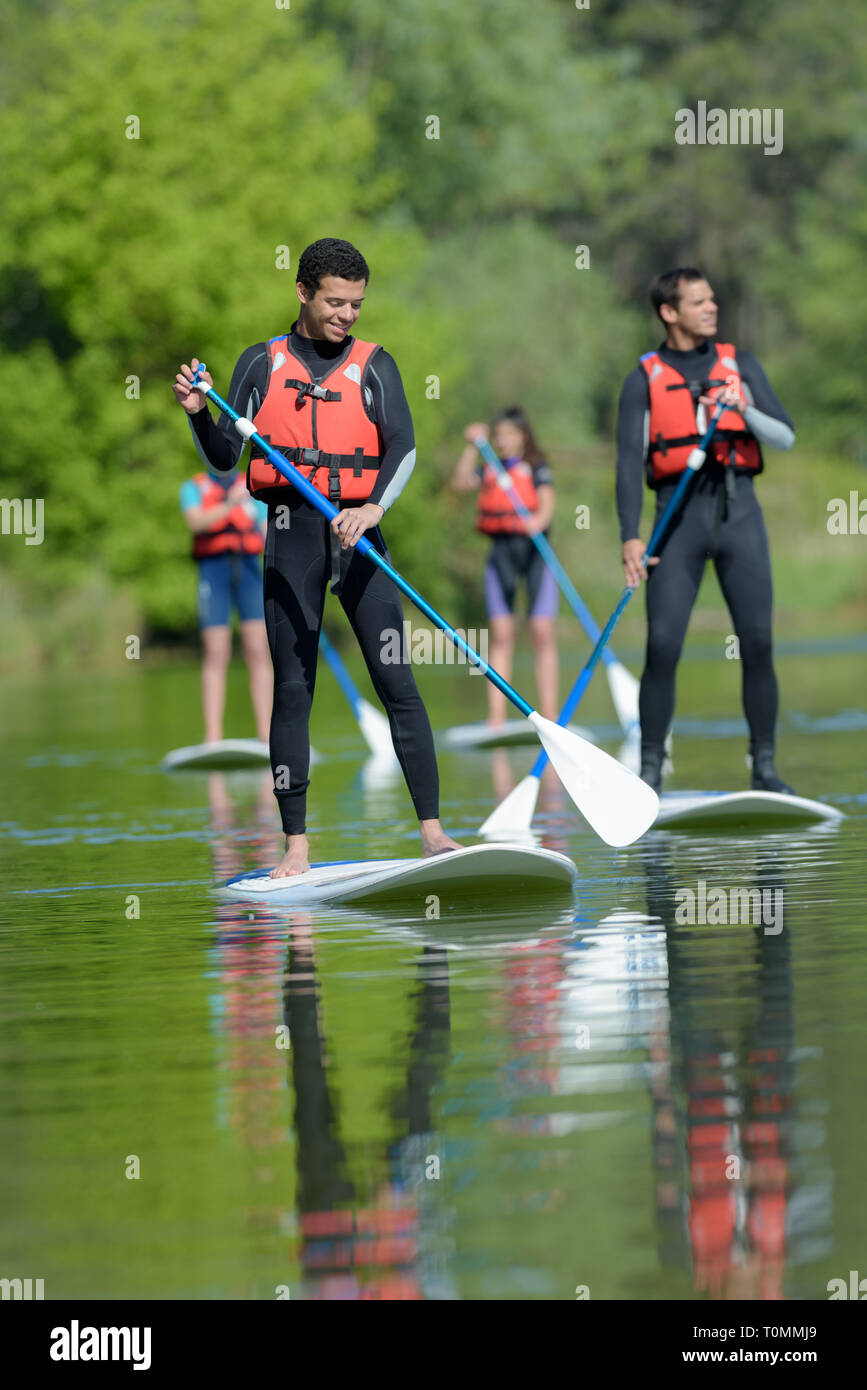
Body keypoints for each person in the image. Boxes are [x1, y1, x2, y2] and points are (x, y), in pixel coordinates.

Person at [172, 237, 460, 876]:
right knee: (294, 688)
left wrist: (374, 508)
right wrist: (198, 415)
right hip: (290, 531)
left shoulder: (376, 365)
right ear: (303, 292)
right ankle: (296, 846)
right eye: (335, 301)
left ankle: (434, 833)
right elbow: (225, 456)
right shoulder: (260, 364)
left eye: (356, 304)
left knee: (399, 685)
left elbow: (403, 448)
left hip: (361, 534)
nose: (347, 315)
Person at [616, 267, 796, 795]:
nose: (712, 308)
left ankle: (764, 767)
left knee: (758, 641)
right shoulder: (642, 377)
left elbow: (784, 437)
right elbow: (628, 465)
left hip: (739, 513)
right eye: (699, 302)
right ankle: (650, 771)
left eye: (713, 299)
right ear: (669, 312)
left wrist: (743, 408)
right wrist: (631, 535)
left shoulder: (739, 364)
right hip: (676, 519)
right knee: (664, 644)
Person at [452, 408, 558, 727]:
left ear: (523, 435)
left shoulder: (538, 468)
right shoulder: (490, 468)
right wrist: (472, 446)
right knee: (501, 634)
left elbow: (546, 509)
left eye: (509, 434)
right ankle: (496, 717)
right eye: (498, 436)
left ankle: (551, 715)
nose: (503, 441)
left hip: (536, 554)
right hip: (501, 554)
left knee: (541, 632)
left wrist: (534, 522)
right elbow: (460, 483)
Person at [179, 465, 272, 744]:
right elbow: (195, 523)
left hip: (249, 569)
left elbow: (267, 531)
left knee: (258, 649)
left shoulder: (252, 485)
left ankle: (267, 735)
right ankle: (213, 736)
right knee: (216, 651)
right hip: (214, 571)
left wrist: (253, 516)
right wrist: (229, 505)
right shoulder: (193, 487)